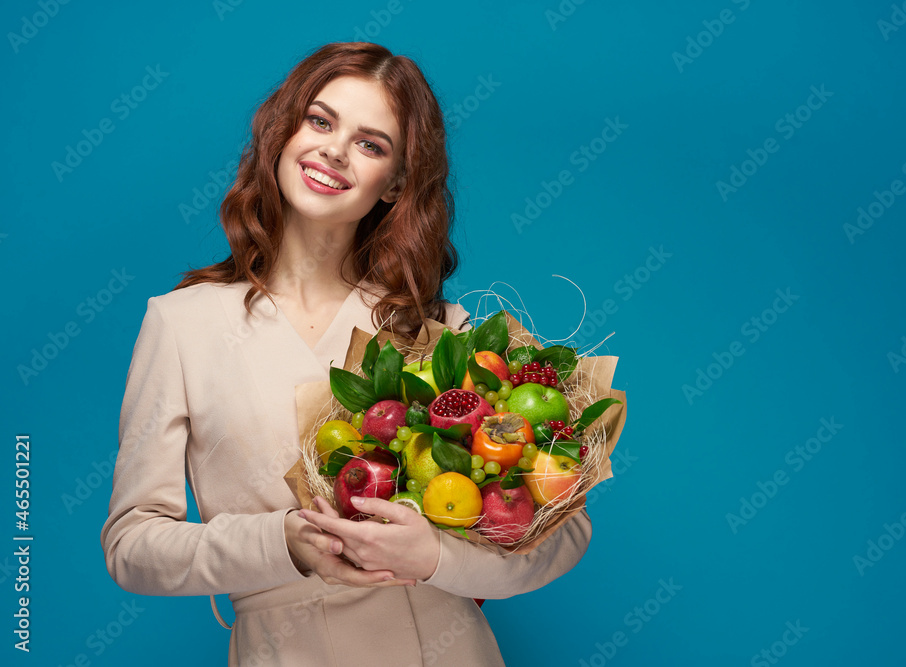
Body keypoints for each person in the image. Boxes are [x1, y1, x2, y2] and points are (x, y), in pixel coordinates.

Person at [100, 42, 592, 666]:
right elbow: (133, 544)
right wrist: (283, 543)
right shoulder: (181, 324)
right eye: (321, 120)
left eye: (371, 143)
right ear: (283, 134)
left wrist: (439, 559)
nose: (334, 149)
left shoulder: (439, 330)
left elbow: (566, 531)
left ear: (395, 185)